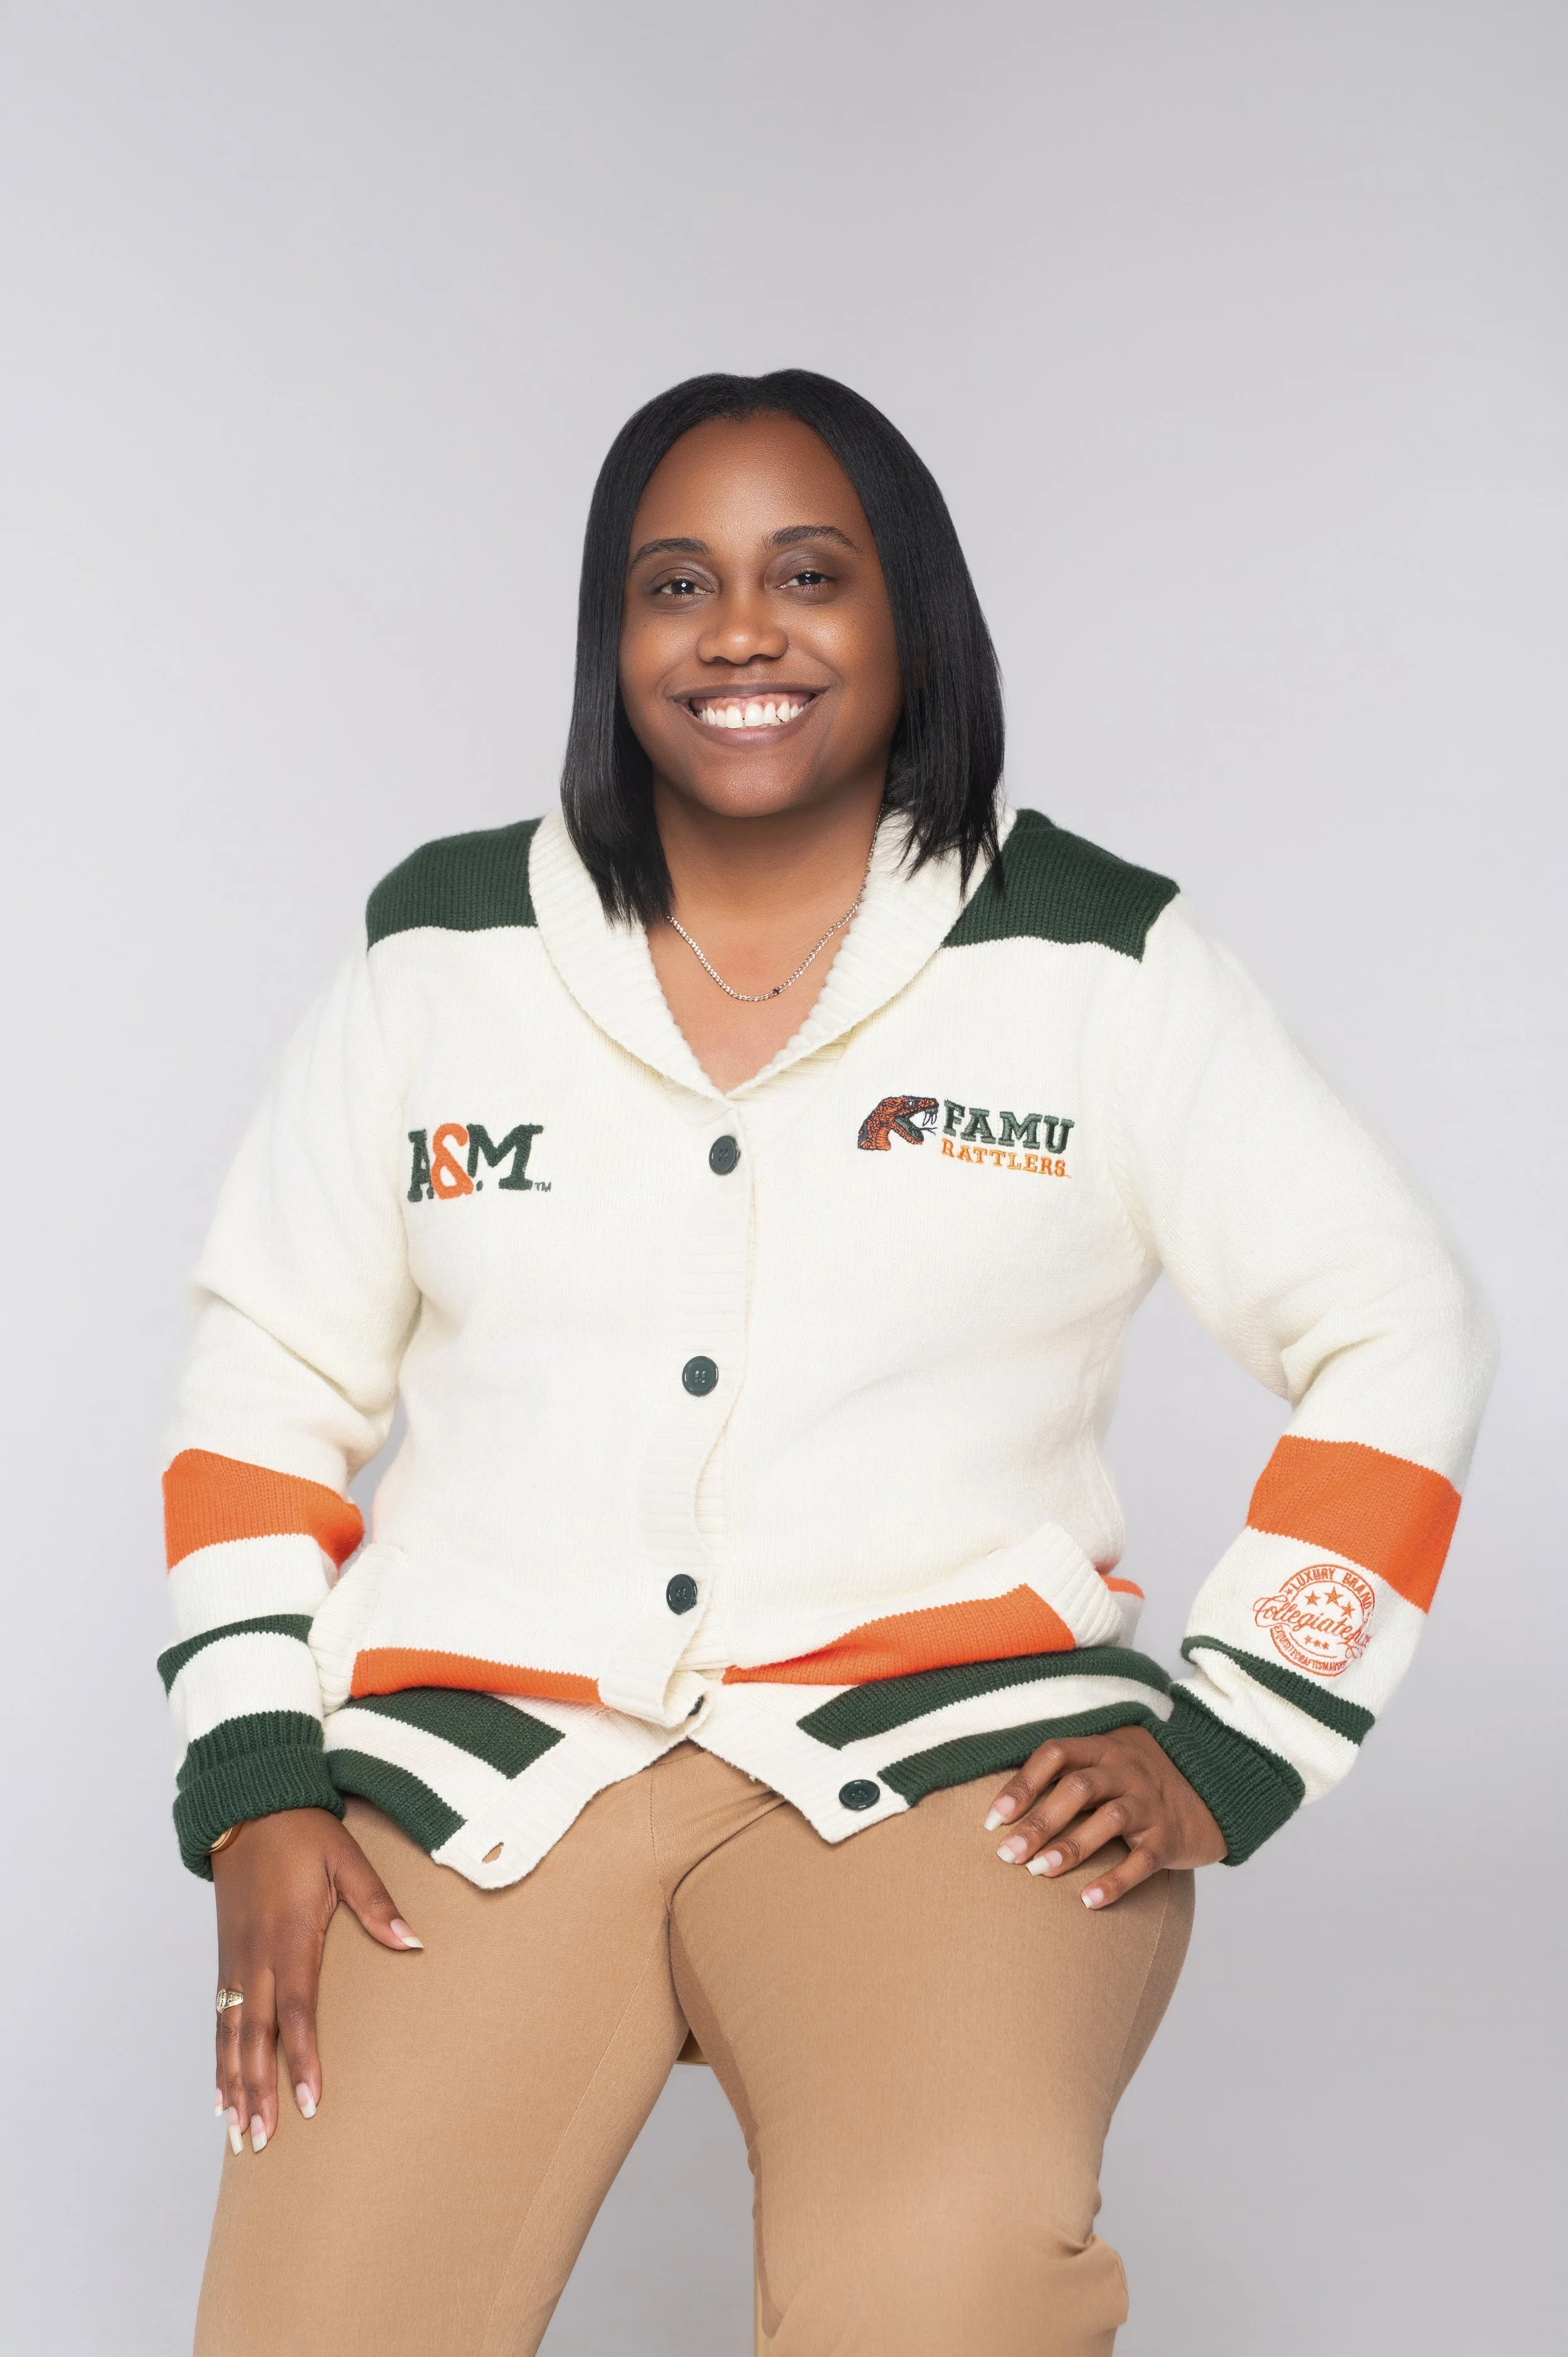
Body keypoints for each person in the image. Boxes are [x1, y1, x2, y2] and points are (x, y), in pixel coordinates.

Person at [161, 370, 1495, 2356]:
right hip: (488, 1775)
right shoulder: (438, 953)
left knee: (932, 2295)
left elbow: (1398, 1319)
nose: (739, 634)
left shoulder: (1094, 959)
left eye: (809, 574)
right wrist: (259, 1775)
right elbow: (268, 1371)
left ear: (911, 616)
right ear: (612, 641)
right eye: (672, 584)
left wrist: (1242, 1729)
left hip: (951, 1768)